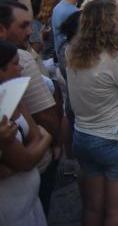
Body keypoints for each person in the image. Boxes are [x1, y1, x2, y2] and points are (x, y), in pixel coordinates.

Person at [65, 0, 118, 226]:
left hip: (85, 135)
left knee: (92, 207)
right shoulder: (111, 57)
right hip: (116, 137)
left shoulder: (72, 53)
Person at [0, 40, 52, 226]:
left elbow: (35, 136)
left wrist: (40, 140)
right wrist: (46, 140)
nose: (20, 67)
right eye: (14, 64)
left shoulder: (14, 95)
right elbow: (27, 160)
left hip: (29, 204)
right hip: (9, 210)